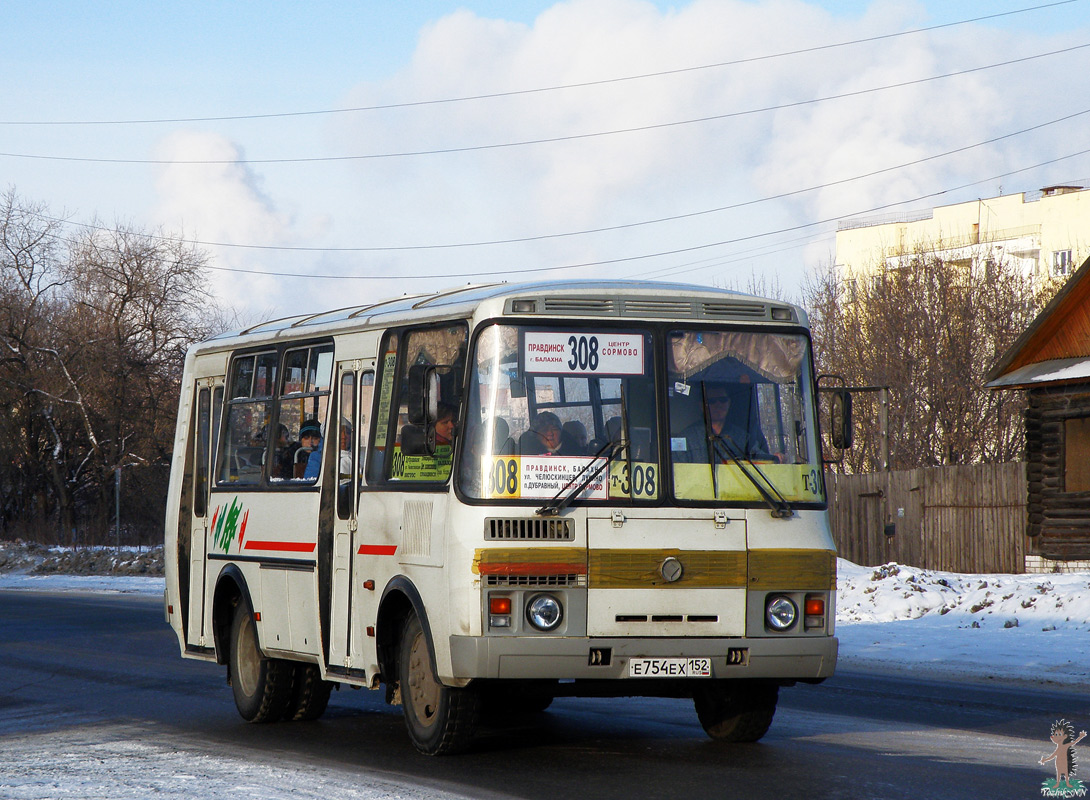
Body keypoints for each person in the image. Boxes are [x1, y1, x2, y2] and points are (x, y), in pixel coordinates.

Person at [678, 383, 772, 462]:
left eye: (723, 400)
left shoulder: (742, 437)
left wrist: (776, 458)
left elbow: (761, 459)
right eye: (712, 401)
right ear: (701, 406)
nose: (718, 405)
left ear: (729, 403)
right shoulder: (686, 439)